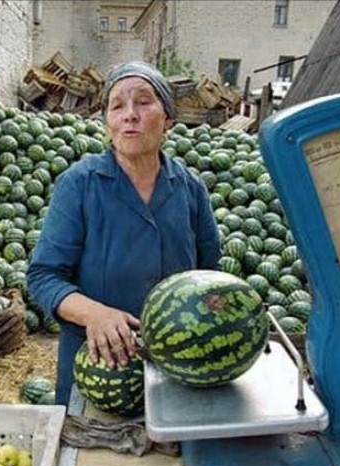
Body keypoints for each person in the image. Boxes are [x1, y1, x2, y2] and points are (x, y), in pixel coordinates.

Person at [27, 61, 222, 406]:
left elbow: (208, 277)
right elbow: (44, 276)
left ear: (169, 120)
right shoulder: (80, 184)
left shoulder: (190, 189)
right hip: (100, 367)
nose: (130, 114)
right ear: (107, 124)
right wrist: (95, 314)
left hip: (177, 367)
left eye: (144, 102)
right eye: (117, 105)